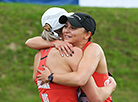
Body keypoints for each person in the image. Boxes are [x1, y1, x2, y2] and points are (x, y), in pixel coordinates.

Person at [26, 9, 116, 102]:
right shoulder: (68, 50)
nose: (66, 31)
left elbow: (81, 80)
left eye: (73, 28)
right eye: (65, 26)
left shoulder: (92, 49)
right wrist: (55, 42)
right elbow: (29, 42)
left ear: (87, 35)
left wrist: (112, 86)